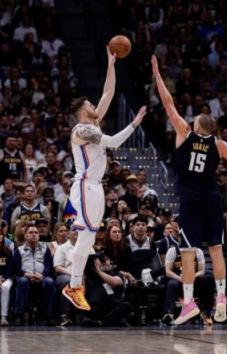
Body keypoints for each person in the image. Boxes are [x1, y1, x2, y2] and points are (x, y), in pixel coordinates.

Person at [152, 55, 227, 325]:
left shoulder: (184, 133)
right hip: (213, 200)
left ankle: (189, 303)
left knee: (188, 253)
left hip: (191, 202)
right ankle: (221, 298)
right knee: (216, 251)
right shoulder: (219, 145)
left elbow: (168, 103)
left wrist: (157, 74)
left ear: (197, 126)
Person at [62, 46, 147, 312]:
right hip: (85, 185)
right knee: (86, 237)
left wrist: (111, 64)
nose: (94, 106)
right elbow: (112, 142)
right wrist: (134, 123)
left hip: (96, 186)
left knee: (88, 239)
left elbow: (108, 93)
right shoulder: (81, 130)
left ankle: (75, 286)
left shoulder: (92, 124)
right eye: (90, 105)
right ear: (83, 112)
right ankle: (74, 285)